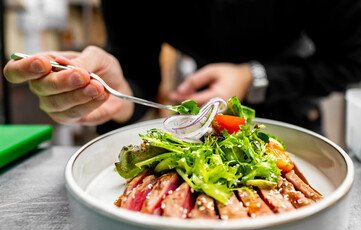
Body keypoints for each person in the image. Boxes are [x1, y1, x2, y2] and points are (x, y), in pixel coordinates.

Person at [4, 0, 361, 135]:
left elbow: (352, 60)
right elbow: (135, 70)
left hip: (293, 112)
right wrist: (119, 94)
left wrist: (252, 77)